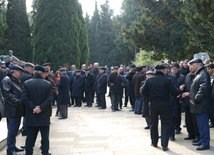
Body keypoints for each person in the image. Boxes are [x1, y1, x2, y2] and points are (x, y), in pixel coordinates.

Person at [140, 64, 180, 151]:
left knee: (153, 123)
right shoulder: (167, 80)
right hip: (165, 104)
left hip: (153, 104)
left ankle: (154, 142)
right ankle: (164, 145)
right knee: (165, 123)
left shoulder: (149, 80)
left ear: (155, 70)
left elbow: (142, 91)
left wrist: (149, 97)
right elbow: (175, 92)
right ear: (163, 70)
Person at [21, 66, 53, 155]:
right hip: (44, 114)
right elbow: (50, 98)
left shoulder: (26, 83)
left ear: (34, 73)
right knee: (45, 136)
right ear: (42, 74)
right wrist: (41, 108)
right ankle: (45, 152)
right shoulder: (48, 84)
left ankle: (29, 153)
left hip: (32, 114)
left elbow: (24, 98)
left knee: (30, 136)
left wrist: (33, 108)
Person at [182, 58, 212, 151]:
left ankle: (205, 143)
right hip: (199, 104)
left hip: (201, 104)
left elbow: (203, 89)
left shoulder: (203, 74)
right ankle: (202, 140)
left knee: (203, 125)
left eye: (191, 65)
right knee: (200, 124)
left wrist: (195, 99)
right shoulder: (200, 74)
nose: (190, 67)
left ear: (197, 64)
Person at [1, 65, 25, 155]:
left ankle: (12, 146)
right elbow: (6, 95)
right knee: (12, 130)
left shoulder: (15, 80)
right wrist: (18, 102)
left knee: (14, 130)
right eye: (20, 72)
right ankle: (10, 150)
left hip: (16, 110)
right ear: (14, 72)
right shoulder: (7, 80)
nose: (21, 74)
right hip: (12, 110)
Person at [180, 67, 200, 143]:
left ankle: (197, 135)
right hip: (187, 101)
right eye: (190, 67)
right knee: (188, 119)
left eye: (192, 66)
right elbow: (186, 84)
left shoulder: (198, 76)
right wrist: (183, 86)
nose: (191, 68)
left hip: (194, 101)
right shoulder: (188, 75)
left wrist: (190, 94)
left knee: (195, 120)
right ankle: (191, 134)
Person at [19, 62, 35, 136]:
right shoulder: (28, 77)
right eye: (32, 68)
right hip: (26, 98)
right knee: (26, 116)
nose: (33, 70)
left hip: (20, 98)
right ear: (27, 68)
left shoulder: (21, 76)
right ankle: (25, 130)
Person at [171, 63, 185, 134]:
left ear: (178, 69)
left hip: (178, 97)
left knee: (178, 113)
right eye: (172, 69)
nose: (174, 70)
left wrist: (181, 98)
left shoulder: (182, 77)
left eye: (175, 69)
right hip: (171, 98)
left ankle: (177, 127)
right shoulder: (169, 77)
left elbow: (184, 88)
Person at [206, 63, 214, 128]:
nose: (207, 70)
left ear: (213, 69)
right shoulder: (208, 77)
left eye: (208, 69)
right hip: (210, 97)